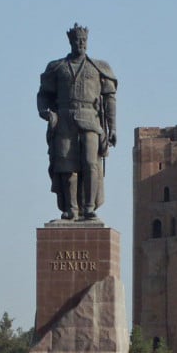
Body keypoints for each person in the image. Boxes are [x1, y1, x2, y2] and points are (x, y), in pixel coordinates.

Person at [37, 23, 117, 221]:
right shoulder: (57, 68)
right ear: (71, 42)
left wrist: (113, 127)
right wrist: (45, 111)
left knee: (90, 164)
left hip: (90, 120)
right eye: (77, 41)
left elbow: (109, 99)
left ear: (86, 42)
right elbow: (44, 94)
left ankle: (89, 208)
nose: (80, 44)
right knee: (67, 166)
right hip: (64, 120)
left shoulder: (98, 67)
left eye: (83, 41)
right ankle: (71, 209)